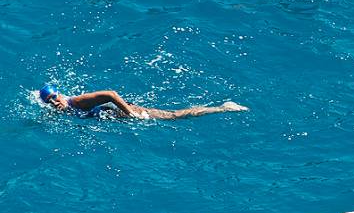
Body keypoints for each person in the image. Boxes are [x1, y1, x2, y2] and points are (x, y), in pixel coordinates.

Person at [37, 84, 248, 120]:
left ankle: (222, 108)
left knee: (174, 116)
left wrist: (129, 113)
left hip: (127, 114)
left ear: (62, 95)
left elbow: (110, 94)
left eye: (55, 97)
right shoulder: (59, 112)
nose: (54, 103)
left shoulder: (78, 102)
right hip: (117, 118)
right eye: (49, 102)